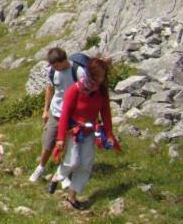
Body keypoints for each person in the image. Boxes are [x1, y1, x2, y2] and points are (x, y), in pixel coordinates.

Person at [48, 57, 118, 210]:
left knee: (85, 164)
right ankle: (57, 177)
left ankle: (72, 196)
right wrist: (60, 138)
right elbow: (65, 114)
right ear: (91, 73)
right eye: (98, 75)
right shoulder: (75, 89)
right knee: (73, 161)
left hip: (90, 131)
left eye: (103, 75)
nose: (101, 79)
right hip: (74, 131)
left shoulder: (101, 91)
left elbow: (105, 112)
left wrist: (109, 133)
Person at [29, 47, 84, 183]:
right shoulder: (52, 71)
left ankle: (64, 172)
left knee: (69, 145)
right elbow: (49, 89)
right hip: (56, 112)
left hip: (73, 115)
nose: (55, 68)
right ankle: (40, 168)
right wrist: (45, 110)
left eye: (57, 65)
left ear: (64, 60)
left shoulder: (78, 71)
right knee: (48, 142)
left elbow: (85, 94)